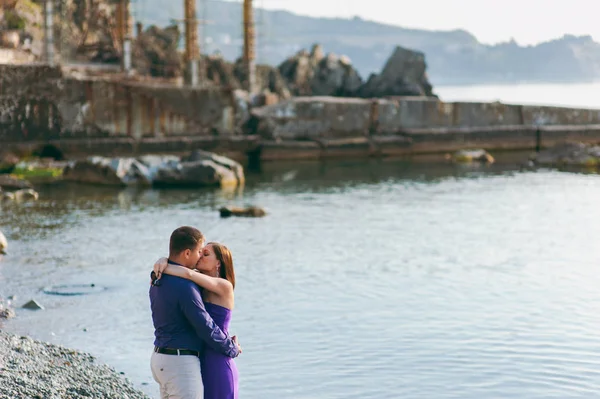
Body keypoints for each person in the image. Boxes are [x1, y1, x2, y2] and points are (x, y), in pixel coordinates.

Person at [149, 227, 241, 399]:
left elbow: (185, 272)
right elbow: (184, 273)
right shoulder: (195, 284)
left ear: (218, 263)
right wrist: (162, 263)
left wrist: (162, 265)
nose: (199, 256)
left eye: (205, 254)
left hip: (217, 358)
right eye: (200, 251)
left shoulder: (222, 285)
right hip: (198, 359)